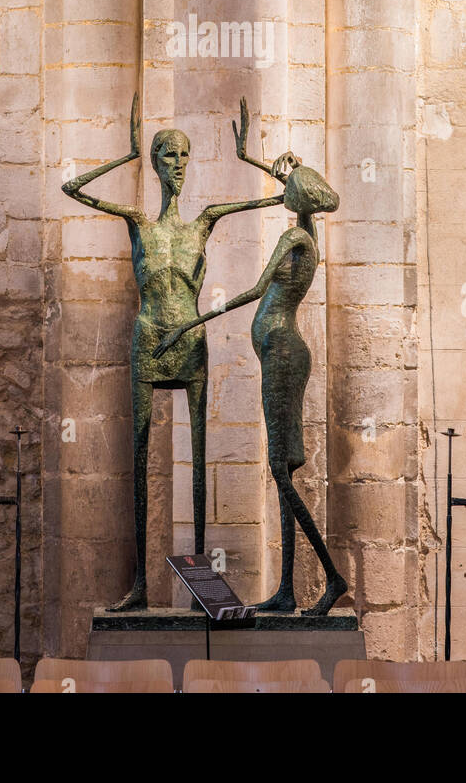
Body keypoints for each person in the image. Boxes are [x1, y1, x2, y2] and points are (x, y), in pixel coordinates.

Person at [62, 94, 288, 611]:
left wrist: (253, 158)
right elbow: (71, 187)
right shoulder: (138, 222)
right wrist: (127, 153)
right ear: (156, 162)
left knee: (199, 457)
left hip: (188, 337)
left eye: (184, 155)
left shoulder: (205, 221)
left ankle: (200, 588)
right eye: (167, 155)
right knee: (138, 456)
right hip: (146, 337)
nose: (178, 165)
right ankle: (141, 585)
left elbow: (284, 198)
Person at [154, 153, 348, 615]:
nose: (282, 193)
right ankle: (286, 590)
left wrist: (191, 323)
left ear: (293, 199)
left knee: (280, 472)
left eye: (286, 189)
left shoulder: (291, 238)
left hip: (281, 351)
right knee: (283, 469)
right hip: (283, 350)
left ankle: (333, 577)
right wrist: (256, 160)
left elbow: (255, 291)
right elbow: (294, 192)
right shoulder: (309, 234)